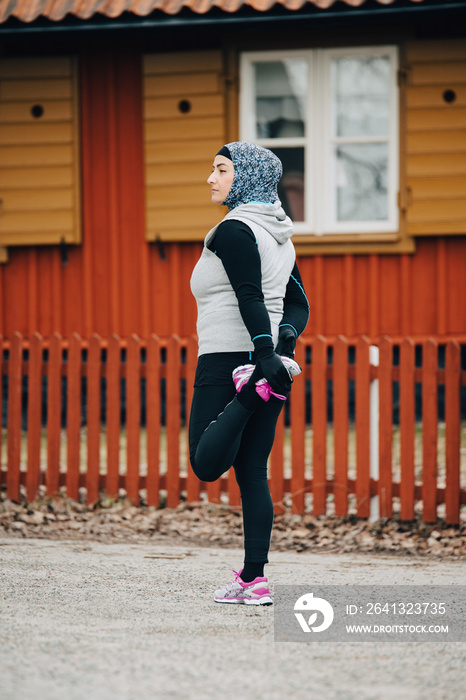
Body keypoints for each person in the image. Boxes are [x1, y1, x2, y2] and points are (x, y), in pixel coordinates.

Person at [189, 141, 309, 605]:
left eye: (221, 169)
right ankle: (253, 581)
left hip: (229, 362)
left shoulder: (234, 230)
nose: (211, 177)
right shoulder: (279, 234)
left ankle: (249, 392)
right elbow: (297, 303)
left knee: (205, 461)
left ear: (247, 177)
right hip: (270, 365)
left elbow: (249, 297)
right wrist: (281, 349)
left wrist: (262, 360)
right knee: (252, 471)